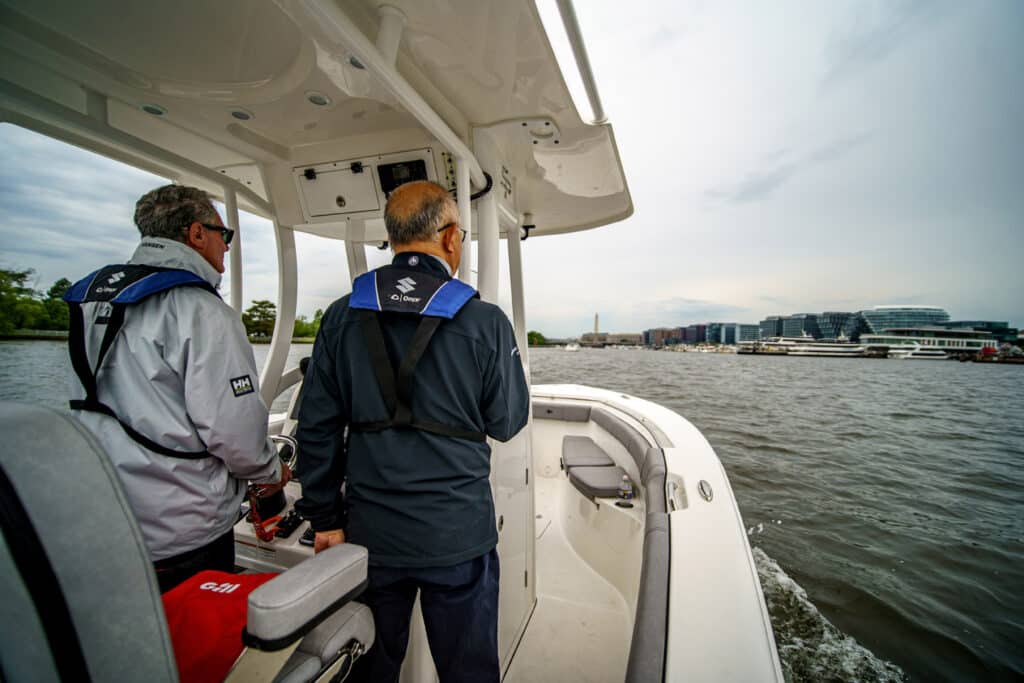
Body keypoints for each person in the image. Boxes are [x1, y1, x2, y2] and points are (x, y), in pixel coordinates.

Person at [295, 180, 529, 682]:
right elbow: (507, 422)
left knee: (369, 671)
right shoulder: (485, 321)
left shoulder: (340, 316)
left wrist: (325, 519)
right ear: (449, 237)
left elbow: (315, 427)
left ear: (394, 237)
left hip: (369, 534)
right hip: (457, 534)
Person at [64, 184, 289, 593]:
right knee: (189, 625)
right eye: (224, 234)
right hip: (183, 528)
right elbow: (235, 431)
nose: (227, 246)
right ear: (196, 234)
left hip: (104, 512)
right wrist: (272, 471)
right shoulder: (202, 310)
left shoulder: (91, 302)